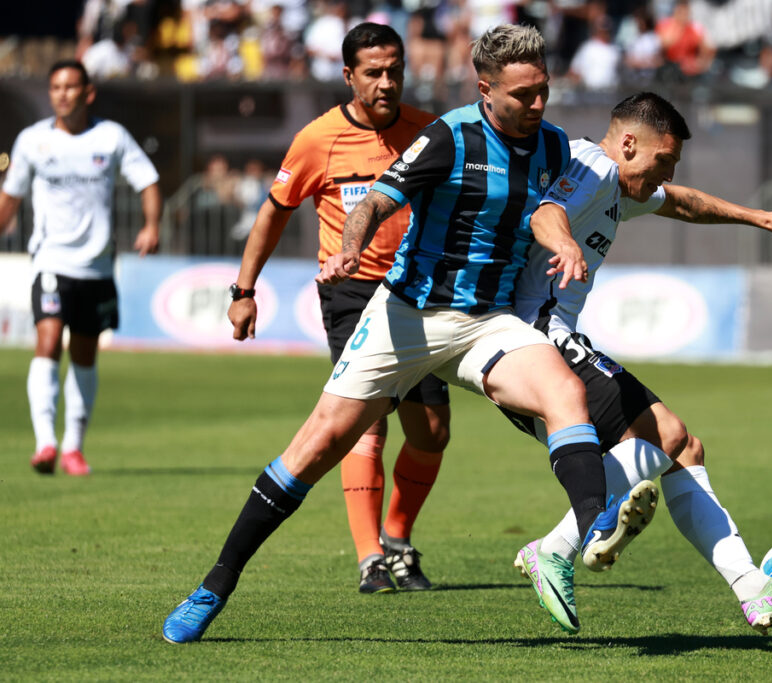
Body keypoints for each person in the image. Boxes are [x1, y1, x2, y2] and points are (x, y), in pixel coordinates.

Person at [162, 24, 656, 644]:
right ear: (485, 90)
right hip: (408, 316)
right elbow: (374, 201)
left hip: (487, 321)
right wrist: (349, 250)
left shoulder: (557, 148)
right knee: (315, 450)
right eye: (522, 95)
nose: (537, 105)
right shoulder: (450, 135)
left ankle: (595, 522)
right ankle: (215, 585)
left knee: (565, 392)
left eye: (543, 91)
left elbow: (639, 193)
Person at [502, 92, 772, 635]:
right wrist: (565, 245)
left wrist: (760, 218)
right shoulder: (591, 165)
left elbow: (681, 202)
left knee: (684, 450)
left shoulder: (620, 184)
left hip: (543, 335)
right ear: (629, 144)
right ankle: (556, 549)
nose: (666, 172)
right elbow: (548, 212)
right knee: (667, 437)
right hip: (536, 334)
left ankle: (753, 592)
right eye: (663, 159)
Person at [226, 22, 449, 594]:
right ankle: (370, 558)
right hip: (352, 293)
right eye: (373, 73)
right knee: (366, 424)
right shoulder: (316, 139)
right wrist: (244, 291)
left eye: (394, 70)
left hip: (419, 292)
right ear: (349, 76)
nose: (386, 82)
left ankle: (398, 540)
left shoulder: (429, 132)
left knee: (431, 432)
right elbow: (274, 212)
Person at [0, 60, 162, 476]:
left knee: (85, 356)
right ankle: (45, 443)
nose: (62, 94)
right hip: (52, 261)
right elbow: (11, 197)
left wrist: (151, 225)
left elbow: (147, 180)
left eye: (71, 87)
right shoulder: (32, 141)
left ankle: (73, 447)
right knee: (49, 341)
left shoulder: (110, 137)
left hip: (97, 267)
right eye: (56, 87)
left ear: (88, 93)